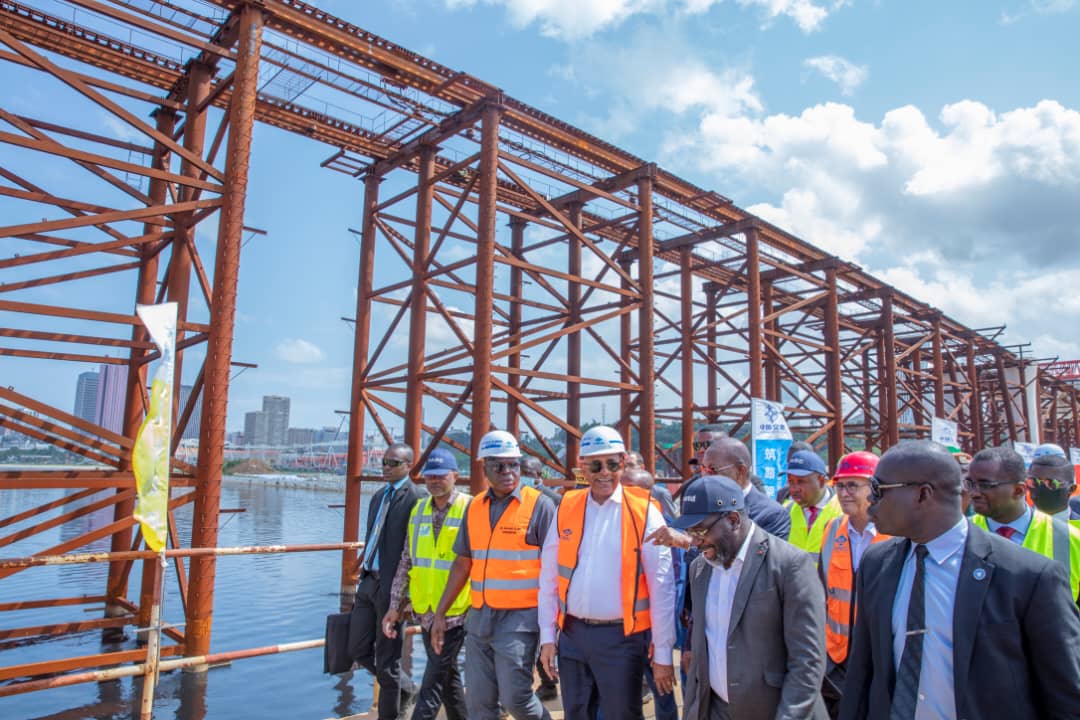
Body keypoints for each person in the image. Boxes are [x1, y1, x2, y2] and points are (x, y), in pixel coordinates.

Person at [838, 440, 1080, 720]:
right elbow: (862, 673)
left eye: (879, 490)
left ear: (923, 494)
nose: (870, 501)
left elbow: (1066, 696)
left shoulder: (1029, 577)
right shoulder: (877, 564)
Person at [538, 426, 676, 720]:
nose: (604, 473)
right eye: (595, 465)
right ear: (582, 465)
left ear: (623, 462)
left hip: (622, 639)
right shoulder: (567, 506)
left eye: (612, 464)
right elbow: (549, 579)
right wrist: (548, 638)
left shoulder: (644, 512)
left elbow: (662, 588)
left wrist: (663, 654)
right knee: (577, 714)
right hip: (573, 635)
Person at [676, 475, 827, 720]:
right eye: (689, 532)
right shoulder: (700, 569)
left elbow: (807, 660)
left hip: (773, 712)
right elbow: (702, 653)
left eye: (700, 531)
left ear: (733, 520)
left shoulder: (790, 565)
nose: (694, 541)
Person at [431, 430, 554, 720]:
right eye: (499, 465)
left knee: (517, 700)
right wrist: (440, 613)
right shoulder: (474, 507)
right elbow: (463, 563)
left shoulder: (540, 506)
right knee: (479, 704)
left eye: (514, 464)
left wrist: (553, 629)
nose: (509, 472)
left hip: (520, 620)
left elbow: (555, 570)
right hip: (480, 617)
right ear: (483, 466)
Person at [382, 449, 469, 720]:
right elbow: (407, 561)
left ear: (455, 476)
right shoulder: (419, 510)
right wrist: (395, 605)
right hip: (426, 609)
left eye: (441, 476)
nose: (434, 481)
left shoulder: (470, 508)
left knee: (431, 684)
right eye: (429, 476)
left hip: (456, 612)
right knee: (447, 677)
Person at [348, 442, 421, 720]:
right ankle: (408, 687)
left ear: (408, 466)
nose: (386, 467)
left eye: (393, 463)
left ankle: (390, 715)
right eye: (384, 462)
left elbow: (415, 550)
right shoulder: (378, 496)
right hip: (368, 582)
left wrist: (405, 595)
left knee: (389, 660)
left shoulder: (416, 497)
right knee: (356, 648)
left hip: (393, 589)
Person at [816, 451, 890, 718]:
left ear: (875, 488)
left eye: (853, 485)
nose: (844, 493)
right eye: (840, 486)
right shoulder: (832, 530)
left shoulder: (894, 533)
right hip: (836, 658)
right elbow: (821, 591)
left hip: (879, 658)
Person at [967, 445, 1080, 600]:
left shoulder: (1072, 537)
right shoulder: (961, 534)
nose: (974, 493)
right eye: (1034, 482)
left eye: (1050, 483)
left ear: (1019, 490)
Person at [785, 450, 842, 554]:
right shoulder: (785, 511)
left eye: (801, 481)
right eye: (790, 481)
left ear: (821, 481)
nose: (794, 489)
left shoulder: (842, 511)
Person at [1026, 453, 1080, 527]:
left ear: (1071, 489)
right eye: (1035, 482)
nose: (1042, 487)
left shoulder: (1077, 528)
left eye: (1052, 483)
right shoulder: (1014, 529)